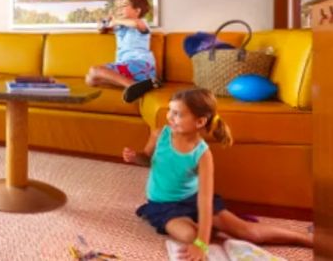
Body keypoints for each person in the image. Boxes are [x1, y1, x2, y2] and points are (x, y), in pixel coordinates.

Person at [123, 88, 312, 260]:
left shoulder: (202, 154)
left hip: (194, 200)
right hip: (163, 204)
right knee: (190, 235)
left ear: (200, 122)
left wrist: (202, 245)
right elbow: (147, 159)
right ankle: (208, 228)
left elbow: (204, 203)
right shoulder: (159, 134)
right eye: (170, 111)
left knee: (248, 233)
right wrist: (135, 157)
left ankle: (308, 239)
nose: (170, 117)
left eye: (177, 114)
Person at [85, 0, 159, 102]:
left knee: (95, 70)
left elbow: (135, 24)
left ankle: (133, 86)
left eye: (124, 6)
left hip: (141, 64)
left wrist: (116, 21)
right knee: (90, 80)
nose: (119, 9)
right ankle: (141, 86)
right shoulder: (120, 28)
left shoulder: (141, 23)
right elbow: (101, 29)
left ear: (137, 11)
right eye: (118, 6)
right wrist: (105, 22)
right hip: (126, 67)